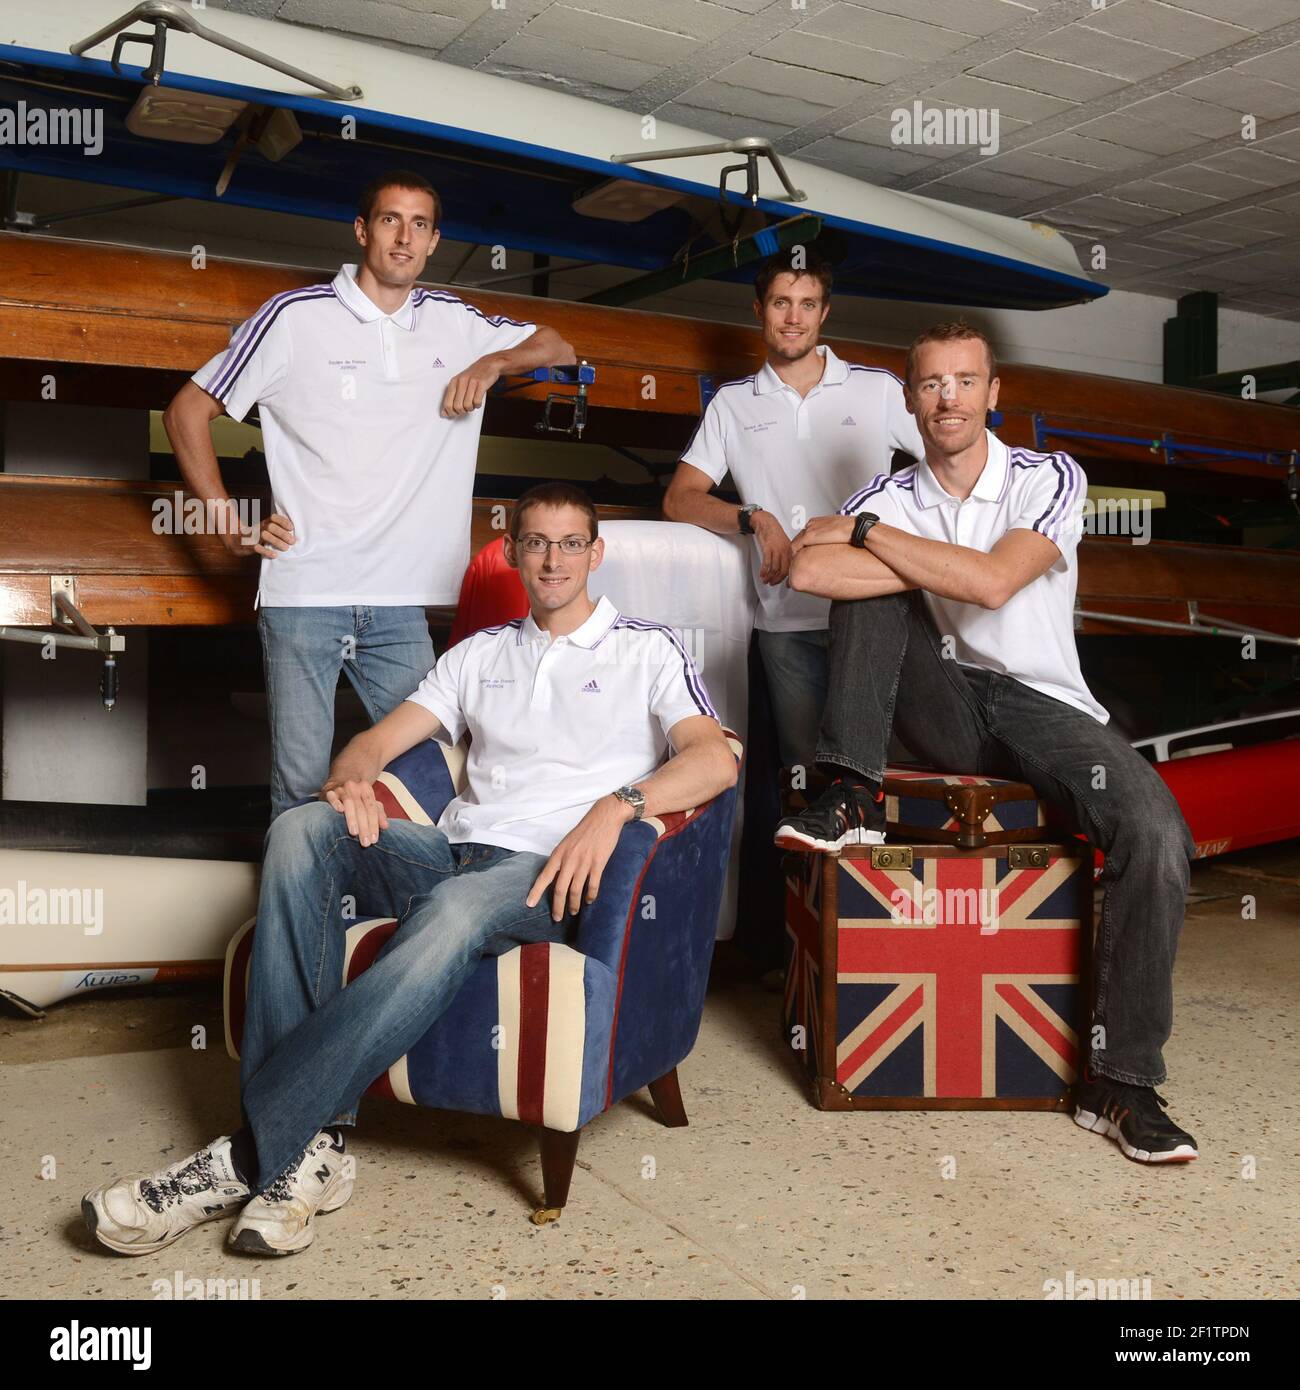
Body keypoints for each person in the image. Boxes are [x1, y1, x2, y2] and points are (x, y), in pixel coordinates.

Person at [82, 482, 737, 1256]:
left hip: (542, 872)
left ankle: (249, 1155)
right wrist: (351, 780)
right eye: (536, 542)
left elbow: (714, 759)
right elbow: (375, 744)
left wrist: (616, 805)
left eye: (570, 544)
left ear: (595, 554)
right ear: (514, 552)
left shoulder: (646, 647)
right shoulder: (479, 654)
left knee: (455, 909)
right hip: (451, 848)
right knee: (301, 831)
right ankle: (309, 1155)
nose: (553, 559)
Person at [777, 320, 1198, 1165]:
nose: (948, 399)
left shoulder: (1046, 476)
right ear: (909, 399)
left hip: (1044, 705)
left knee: (1157, 834)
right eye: (931, 384)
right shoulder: (894, 493)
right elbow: (804, 569)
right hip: (943, 701)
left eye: (965, 381)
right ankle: (850, 792)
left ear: (993, 393)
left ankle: (1118, 1082)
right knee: (874, 598)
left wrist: (868, 539)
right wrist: (902, 557)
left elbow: (997, 580)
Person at [164, 170, 576, 821]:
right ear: (363, 230)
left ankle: (390, 923)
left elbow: (558, 343)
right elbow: (186, 411)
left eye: (419, 224)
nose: (403, 237)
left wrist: (491, 364)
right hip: (305, 593)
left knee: (425, 776)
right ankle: (302, 926)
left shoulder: (454, 323)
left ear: (435, 240)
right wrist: (226, 520)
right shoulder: (293, 318)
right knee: (301, 790)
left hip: (397, 604)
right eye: (390, 220)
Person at [663, 246, 922, 770]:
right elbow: (679, 499)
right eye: (782, 302)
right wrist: (753, 516)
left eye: (807, 304)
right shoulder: (733, 403)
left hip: (872, 611)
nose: (794, 317)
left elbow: (948, 466)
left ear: (824, 313)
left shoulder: (879, 389)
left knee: (890, 773)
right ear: (759, 310)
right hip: (784, 621)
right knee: (804, 777)